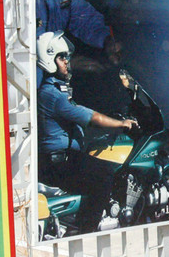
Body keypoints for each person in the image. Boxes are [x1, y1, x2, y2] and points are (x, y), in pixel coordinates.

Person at [37, 31, 137, 233]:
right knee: (104, 175)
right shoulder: (53, 94)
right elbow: (91, 117)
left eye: (66, 57)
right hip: (60, 162)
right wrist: (121, 124)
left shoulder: (55, 90)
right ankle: (87, 231)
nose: (66, 61)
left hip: (58, 160)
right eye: (61, 57)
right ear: (49, 60)